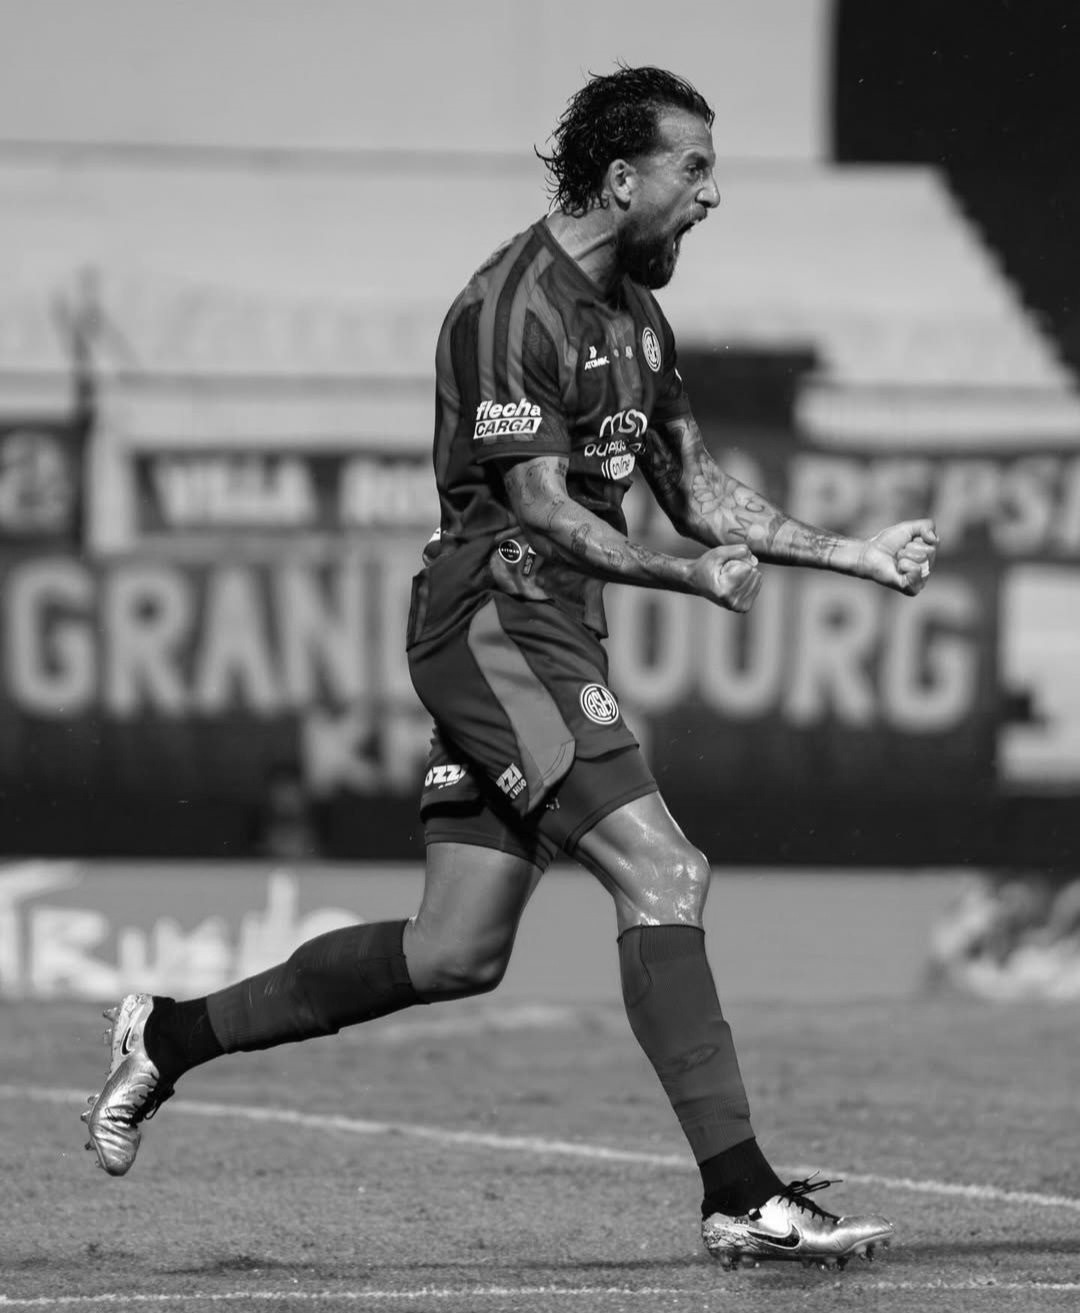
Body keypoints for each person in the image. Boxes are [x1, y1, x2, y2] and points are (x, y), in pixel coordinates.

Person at [83, 65, 937, 1270]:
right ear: (623, 176)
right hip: (492, 623)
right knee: (665, 866)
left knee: (455, 951)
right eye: (694, 170)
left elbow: (695, 488)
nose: (710, 197)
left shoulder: (638, 316)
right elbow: (538, 508)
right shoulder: (510, 309)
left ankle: (168, 1034)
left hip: (545, 632)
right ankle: (740, 1191)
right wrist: (689, 577)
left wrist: (852, 552)